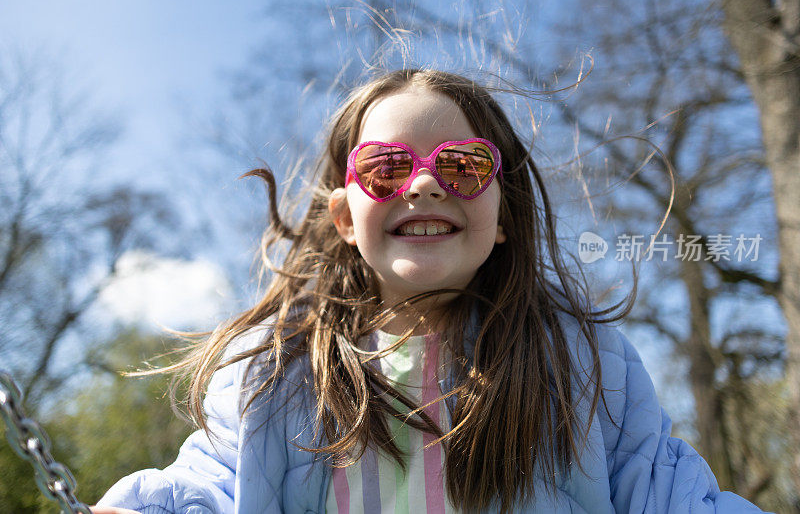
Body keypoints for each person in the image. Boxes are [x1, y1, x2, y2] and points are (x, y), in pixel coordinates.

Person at [91, 69, 766, 513]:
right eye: (386, 167)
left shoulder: (586, 363)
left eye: (463, 165)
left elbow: (666, 488)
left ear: (503, 216)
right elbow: (210, 488)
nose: (422, 183)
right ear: (347, 219)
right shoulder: (276, 371)